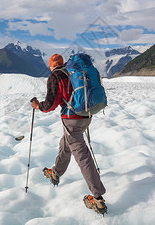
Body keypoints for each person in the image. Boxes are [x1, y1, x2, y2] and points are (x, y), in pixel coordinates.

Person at [31, 54, 107, 214]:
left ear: (51, 65)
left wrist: (38, 106)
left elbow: (51, 104)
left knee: (82, 156)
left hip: (72, 119)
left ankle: (98, 199)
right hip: (86, 116)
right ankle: (56, 173)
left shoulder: (55, 76)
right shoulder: (72, 72)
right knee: (65, 144)